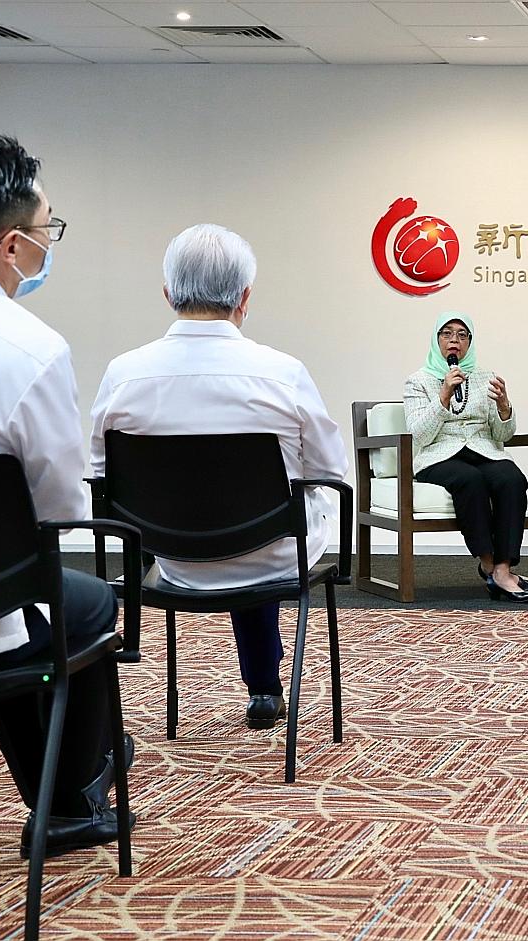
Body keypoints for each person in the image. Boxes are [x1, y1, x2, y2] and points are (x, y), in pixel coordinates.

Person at [0, 133, 130, 858]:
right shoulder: (28, 346)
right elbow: (60, 510)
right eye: (50, 228)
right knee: (76, 599)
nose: (50, 242)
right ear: (11, 246)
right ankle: (73, 800)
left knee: (9, 590)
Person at [89, 224, 347, 730]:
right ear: (245, 297)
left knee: (239, 520)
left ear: (168, 294)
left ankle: (261, 687)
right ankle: (265, 688)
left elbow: (100, 476)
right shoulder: (282, 372)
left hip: (172, 560)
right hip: (271, 555)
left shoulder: (124, 374)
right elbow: (328, 469)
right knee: (269, 524)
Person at [403, 313, 528, 603]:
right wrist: (443, 396)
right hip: (439, 456)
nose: (454, 340)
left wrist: (504, 407)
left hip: (482, 450)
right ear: (436, 340)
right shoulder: (418, 381)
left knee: (511, 478)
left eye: (462, 335)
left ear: (470, 343)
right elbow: (420, 435)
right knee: (469, 480)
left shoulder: (485, 377)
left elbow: (503, 435)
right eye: (447, 333)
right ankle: (487, 563)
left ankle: (503, 569)